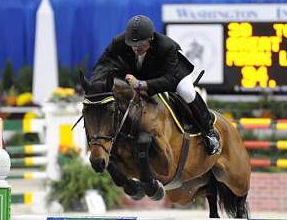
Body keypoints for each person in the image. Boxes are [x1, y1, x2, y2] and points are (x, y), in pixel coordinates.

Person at [91, 15, 222, 155]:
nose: (135, 48)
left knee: (187, 92)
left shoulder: (167, 46)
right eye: (133, 45)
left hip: (171, 73)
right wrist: (96, 83)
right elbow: (104, 62)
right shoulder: (120, 42)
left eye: (140, 45)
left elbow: (169, 80)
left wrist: (142, 84)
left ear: (151, 38)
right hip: (141, 71)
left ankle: (209, 131)